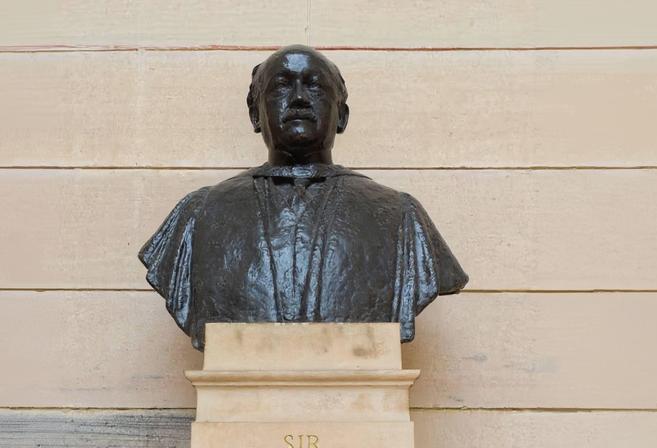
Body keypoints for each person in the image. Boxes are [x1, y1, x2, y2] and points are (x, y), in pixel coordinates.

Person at [139, 45, 468, 350]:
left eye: (315, 86)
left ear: (342, 116)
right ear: (255, 114)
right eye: (282, 85)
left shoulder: (400, 216)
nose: (298, 98)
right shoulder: (199, 214)